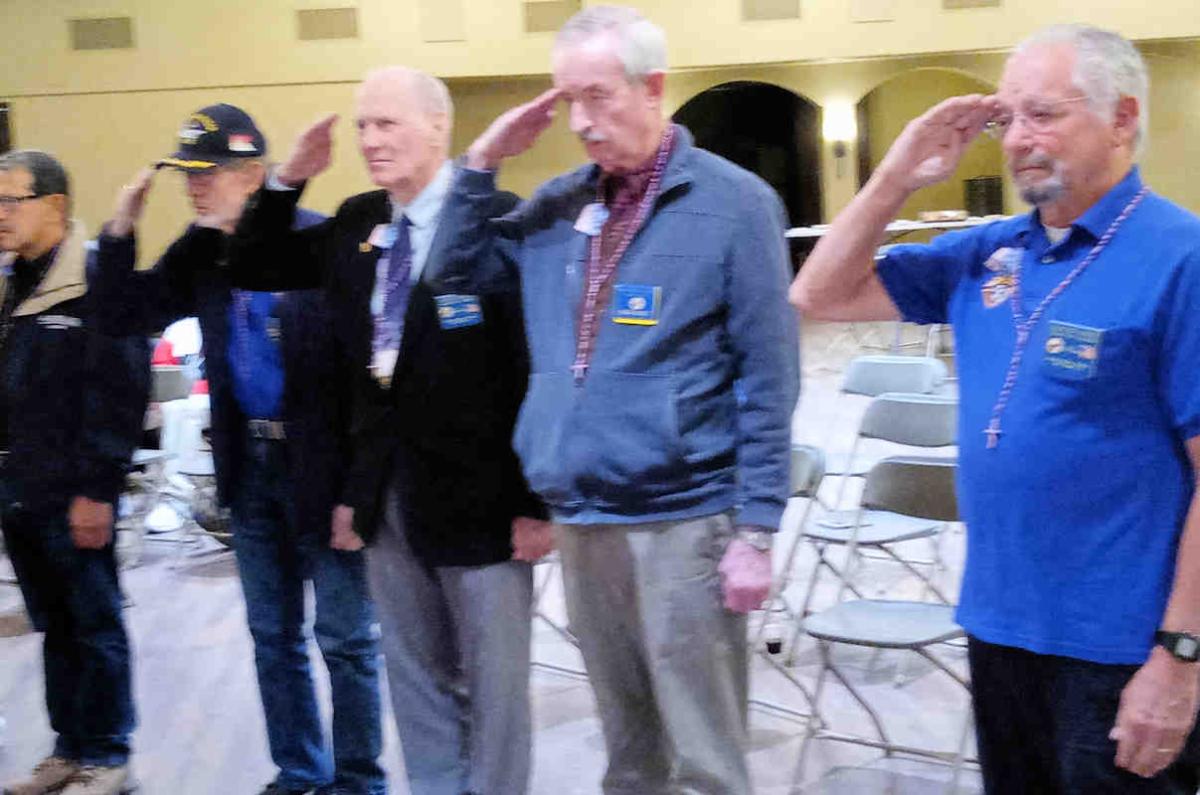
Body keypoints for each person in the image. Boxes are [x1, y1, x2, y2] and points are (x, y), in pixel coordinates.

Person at [791, 24, 1200, 793]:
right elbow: (819, 294)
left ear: (1122, 118)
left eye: (1043, 114)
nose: (1016, 139)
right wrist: (896, 176)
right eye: (1006, 119)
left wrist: (1182, 654)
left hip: (1120, 644)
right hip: (999, 623)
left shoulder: (1182, 257)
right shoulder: (986, 252)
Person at [426, 6, 800, 793]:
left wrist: (757, 529)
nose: (581, 123)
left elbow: (770, 374)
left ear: (652, 87)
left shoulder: (734, 205)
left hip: (684, 519)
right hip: (584, 517)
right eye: (569, 102)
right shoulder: (558, 207)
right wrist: (483, 161)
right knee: (629, 756)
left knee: (705, 758)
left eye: (597, 97)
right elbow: (449, 272)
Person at [225, 67, 552, 795]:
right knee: (415, 678)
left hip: (487, 502)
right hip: (390, 497)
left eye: (387, 123)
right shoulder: (357, 222)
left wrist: (536, 503)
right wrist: (288, 181)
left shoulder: (501, 219)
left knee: (495, 687)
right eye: (363, 125)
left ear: (438, 126)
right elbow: (250, 262)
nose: (370, 140)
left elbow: (533, 367)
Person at [91, 104, 385, 795]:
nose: (194, 187)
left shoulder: (319, 243)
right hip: (250, 469)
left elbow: (362, 381)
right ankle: (300, 771)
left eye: (209, 173)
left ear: (254, 176)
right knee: (273, 635)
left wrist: (358, 492)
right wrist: (119, 231)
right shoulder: (202, 252)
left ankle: (359, 782)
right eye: (187, 174)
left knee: (346, 640)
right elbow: (120, 315)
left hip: (323, 471)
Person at [0, 150, 148, 795]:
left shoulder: (96, 283)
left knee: (95, 625)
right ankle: (69, 748)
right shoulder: (9, 285)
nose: (0, 214)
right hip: (19, 493)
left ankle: (110, 756)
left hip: (76, 494)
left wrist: (98, 490)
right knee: (54, 627)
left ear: (55, 205)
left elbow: (120, 395)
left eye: (11, 200)